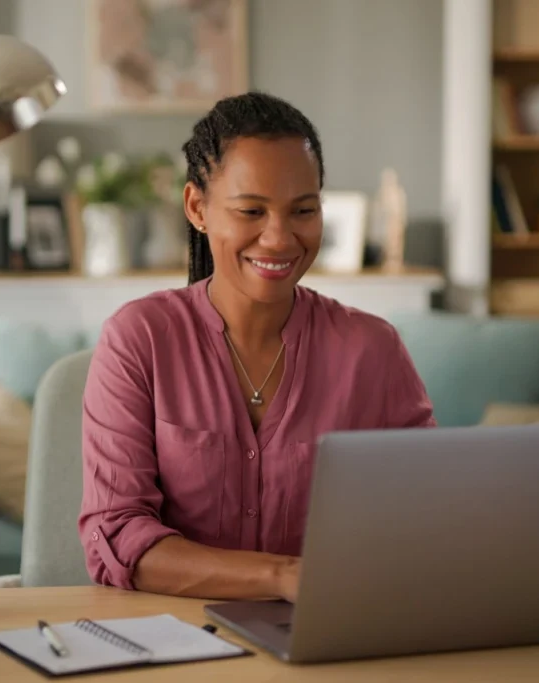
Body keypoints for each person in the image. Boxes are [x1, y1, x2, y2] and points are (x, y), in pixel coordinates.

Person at [78, 92, 435, 604]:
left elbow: (428, 513)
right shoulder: (139, 340)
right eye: (251, 210)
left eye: (303, 210)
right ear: (197, 208)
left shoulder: (372, 350)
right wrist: (282, 577)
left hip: (328, 638)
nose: (279, 238)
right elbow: (116, 536)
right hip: (171, 641)